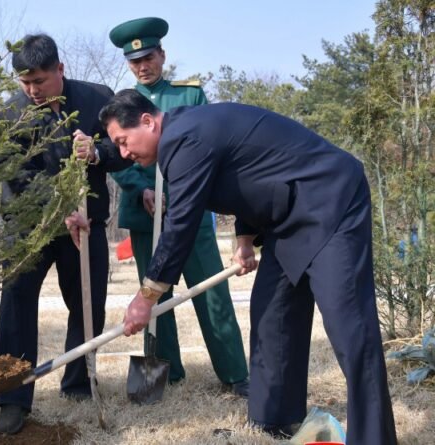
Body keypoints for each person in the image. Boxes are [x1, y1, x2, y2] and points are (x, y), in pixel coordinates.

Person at [73, 89, 396, 444]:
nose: (123, 152)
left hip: (331, 200)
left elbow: (181, 225)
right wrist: (244, 240)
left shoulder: (183, 138)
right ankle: (274, 420)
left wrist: (146, 297)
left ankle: (373, 437)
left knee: (349, 324)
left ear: (148, 121)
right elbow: (251, 173)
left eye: (123, 140)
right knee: (272, 313)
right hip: (286, 217)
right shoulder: (186, 134)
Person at [0, 34, 131, 435]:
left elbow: (123, 149)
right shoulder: (9, 114)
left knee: (88, 304)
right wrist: (60, 208)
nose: (32, 91)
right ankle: (12, 398)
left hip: (88, 226)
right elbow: (15, 174)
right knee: (16, 306)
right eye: (25, 83)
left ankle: (78, 383)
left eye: (40, 81)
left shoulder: (97, 99)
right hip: (28, 227)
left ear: (60, 69)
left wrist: (99, 152)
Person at [108, 17, 248, 395]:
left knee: (211, 295)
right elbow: (117, 158)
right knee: (154, 297)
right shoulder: (120, 106)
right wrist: (141, 190)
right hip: (145, 216)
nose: (143, 66)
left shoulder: (190, 96)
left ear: (162, 55)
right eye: (134, 61)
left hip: (194, 213)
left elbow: (209, 145)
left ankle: (235, 374)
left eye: (148, 57)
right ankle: (163, 375)